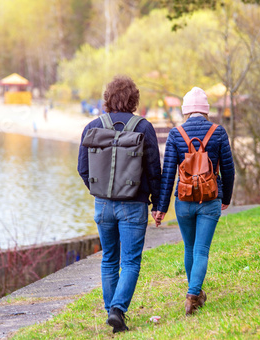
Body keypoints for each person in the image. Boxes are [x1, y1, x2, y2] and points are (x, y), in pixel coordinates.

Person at [77, 75, 162, 333]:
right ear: (134, 99)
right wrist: (158, 204)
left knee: (109, 259)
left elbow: (82, 168)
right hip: (134, 205)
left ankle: (111, 312)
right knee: (131, 261)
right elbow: (153, 171)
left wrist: (99, 191)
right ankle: (117, 310)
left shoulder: (92, 125)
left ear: (107, 98)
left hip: (103, 205)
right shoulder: (143, 127)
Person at [155, 87, 235, 315]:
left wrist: (161, 208)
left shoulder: (175, 134)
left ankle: (195, 292)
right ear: (206, 111)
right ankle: (193, 295)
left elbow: (168, 174)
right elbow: (228, 170)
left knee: (189, 248)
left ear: (186, 111)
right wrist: (226, 197)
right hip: (210, 200)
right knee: (202, 250)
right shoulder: (218, 133)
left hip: (184, 201)